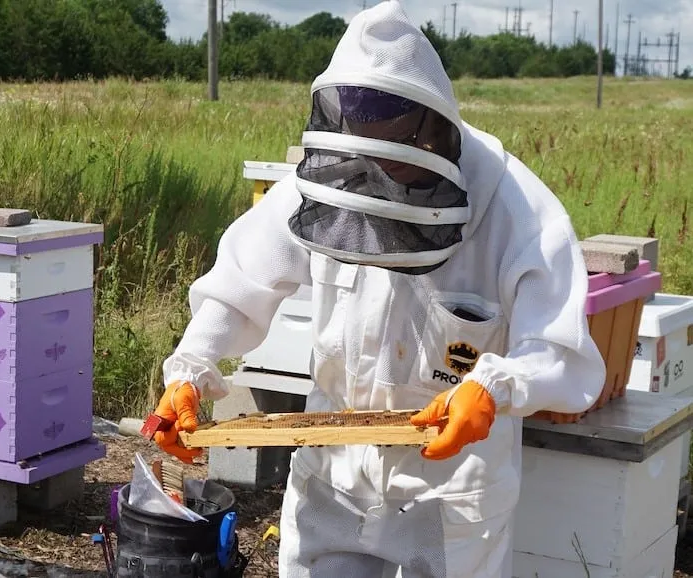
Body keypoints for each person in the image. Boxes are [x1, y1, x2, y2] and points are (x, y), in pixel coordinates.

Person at [148, 1, 607, 576]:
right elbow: (241, 281)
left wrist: (496, 389)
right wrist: (192, 365)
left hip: (449, 490)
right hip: (332, 473)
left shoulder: (521, 213)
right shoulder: (334, 174)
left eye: (395, 160)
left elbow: (562, 354)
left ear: (433, 132)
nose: (380, 179)